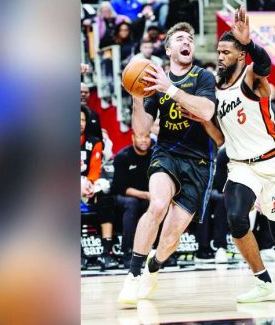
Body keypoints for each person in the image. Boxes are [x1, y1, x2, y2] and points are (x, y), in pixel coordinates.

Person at [192, 7, 275, 303]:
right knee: (236, 218)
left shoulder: (251, 77)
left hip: (274, 165)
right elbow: (222, 138)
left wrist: (249, 43)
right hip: (241, 167)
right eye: (218, 51)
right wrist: (203, 119)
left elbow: (263, 65)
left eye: (226, 51)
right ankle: (264, 283)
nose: (220, 56)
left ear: (239, 55)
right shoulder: (215, 90)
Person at [117, 22, 217, 306]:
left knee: (172, 236)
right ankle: (133, 275)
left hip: (199, 161)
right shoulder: (153, 83)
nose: (187, 42)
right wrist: (137, 99)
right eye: (180, 39)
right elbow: (141, 131)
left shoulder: (203, 76)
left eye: (190, 39)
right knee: (158, 205)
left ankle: (154, 266)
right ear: (169, 49)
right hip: (167, 153)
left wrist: (169, 88)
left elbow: (207, 111)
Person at [81, 107, 118, 269]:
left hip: (89, 185)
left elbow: (95, 168)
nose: (80, 123)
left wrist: (89, 183)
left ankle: (106, 252)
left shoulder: (94, 141)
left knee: (106, 199)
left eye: (82, 120)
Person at [112, 133, 153, 267]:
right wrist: (147, 195)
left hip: (146, 196)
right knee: (132, 203)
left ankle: (155, 251)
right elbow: (122, 188)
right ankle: (127, 252)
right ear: (133, 138)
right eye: (140, 137)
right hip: (123, 197)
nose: (144, 140)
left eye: (146, 137)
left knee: (158, 205)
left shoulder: (155, 156)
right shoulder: (122, 157)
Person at [194, 148, 230, 263]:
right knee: (204, 202)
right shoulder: (197, 150)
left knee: (222, 201)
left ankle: (221, 247)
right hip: (200, 191)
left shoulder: (225, 153)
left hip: (220, 191)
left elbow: (223, 178)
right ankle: (203, 248)